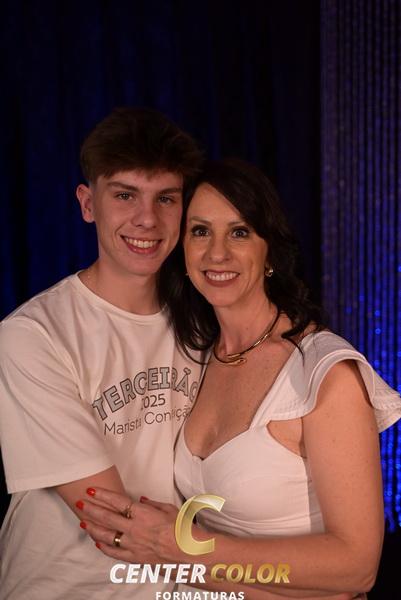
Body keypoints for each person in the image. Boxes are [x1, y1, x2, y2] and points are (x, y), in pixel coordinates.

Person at [77, 159, 401, 599]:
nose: (217, 254)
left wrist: (183, 549)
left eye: (239, 232)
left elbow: (356, 567)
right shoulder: (196, 357)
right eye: (200, 231)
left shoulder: (323, 373)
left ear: (269, 252)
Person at [0, 107, 204, 599]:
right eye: (125, 195)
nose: (147, 219)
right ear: (88, 203)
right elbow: (113, 521)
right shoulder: (33, 335)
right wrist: (279, 577)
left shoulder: (203, 324)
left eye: (166, 198)